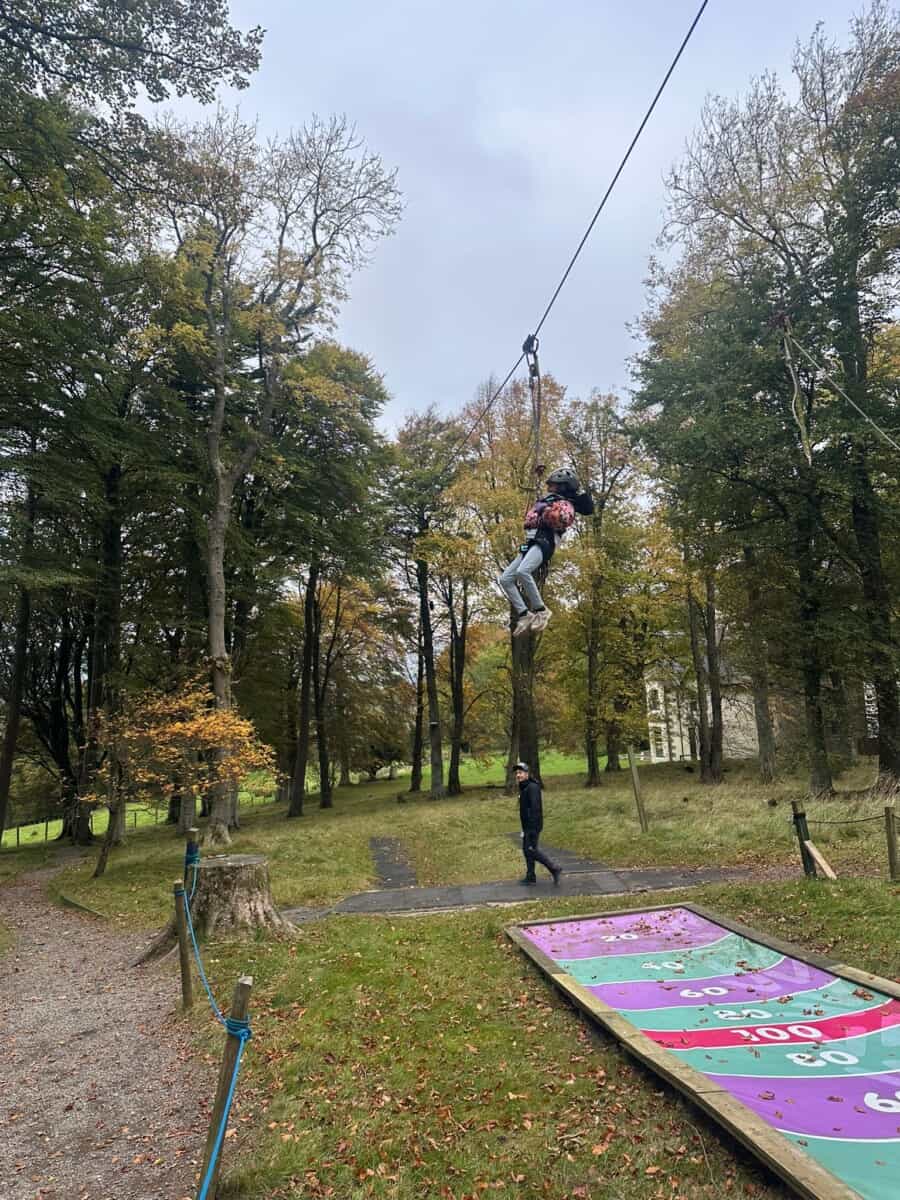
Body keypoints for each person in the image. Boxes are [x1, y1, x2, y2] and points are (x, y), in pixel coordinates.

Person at [497, 467, 594, 636]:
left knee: (523, 571)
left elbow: (560, 519)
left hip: (545, 541)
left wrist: (546, 513)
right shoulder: (547, 500)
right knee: (505, 579)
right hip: (532, 540)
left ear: (563, 486)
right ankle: (524, 614)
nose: (549, 488)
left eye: (553, 485)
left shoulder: (566, 504)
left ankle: (541, 611)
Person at [515, 761, 561, 886]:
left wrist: (532, 829)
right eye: (517, 773)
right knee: (527, 850)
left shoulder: (533, 787)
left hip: (533, 826)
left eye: (520, 772)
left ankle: (554, 868)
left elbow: (535, 809)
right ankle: (530, 876)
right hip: (527, 826)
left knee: (531, 850)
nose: (518, 775)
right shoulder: (524, 787)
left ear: (527, 774)